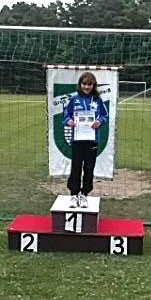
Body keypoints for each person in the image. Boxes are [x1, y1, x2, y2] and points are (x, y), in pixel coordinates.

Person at [63, 72, 109, 208]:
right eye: (84, 84)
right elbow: (66, 115)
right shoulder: (74, 99)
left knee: (89, 167)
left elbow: (105, 115)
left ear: (94, 85)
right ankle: (73, 194)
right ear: (80, 84)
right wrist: (69, 121)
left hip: (92, 140)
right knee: (76, 167)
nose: (87, 87)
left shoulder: (97, 100)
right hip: (77, 140)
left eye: (89, 84)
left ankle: (84, 194)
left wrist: (99, 122)